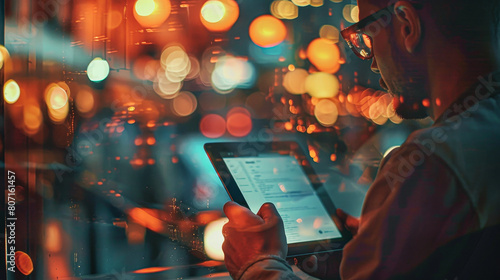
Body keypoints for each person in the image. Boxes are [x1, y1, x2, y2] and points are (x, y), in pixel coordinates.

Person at [222, 0, 500, 279]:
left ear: (407, 25)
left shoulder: (434, 162)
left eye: (367, 35)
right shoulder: (484, 131)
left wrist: (257, 265)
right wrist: (368, 258)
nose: (372, 62)